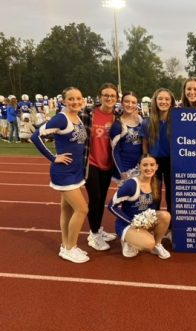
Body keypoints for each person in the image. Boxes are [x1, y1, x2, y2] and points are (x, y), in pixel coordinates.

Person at [31, 87, 89, 263]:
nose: (76, 102)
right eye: (71, 99)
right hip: (64, 173)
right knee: (82, 209)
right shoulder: (61, 119)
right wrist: (53, 157)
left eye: (78, 98)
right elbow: (36, 136)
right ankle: (71, 248)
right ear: (64, 101)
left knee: (67, 209)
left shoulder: (77, 116)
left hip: (76, 172)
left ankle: (66, 245)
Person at [108, 154, 172, 259]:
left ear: (156, 167)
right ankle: (128, 241)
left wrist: (147, 223)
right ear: (139, 166)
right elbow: (111, 206)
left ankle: (158, 244)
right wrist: (130, 222)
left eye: (152, 165)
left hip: (144, 222)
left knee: (165, 216)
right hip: (128, 224)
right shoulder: (131, 185)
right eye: (145, 165)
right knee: (148, 244)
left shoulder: (156, 183)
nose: (149, 168)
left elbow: (154, 208)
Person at [83, 83, 119, 251]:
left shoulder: (117, 116)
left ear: (116, 98)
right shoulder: (89, 113)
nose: (109, 98)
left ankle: (98, 229)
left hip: (108, 164)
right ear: (100, 96)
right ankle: (94, 233)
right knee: (95, 199)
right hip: (91, 164)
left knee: (102, 199)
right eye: (106, 95)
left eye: (112, 95)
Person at [141, 88, 176, 219]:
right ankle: (153, 223)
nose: (163, 101)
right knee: (154, 194)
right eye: (160, 99)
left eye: (167, 99)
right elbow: (145, 143)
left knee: (171, 195)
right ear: (155, 101)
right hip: (154, 162)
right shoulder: (147, 121)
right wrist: (146, 160)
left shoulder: (176, 121)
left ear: (171, 102)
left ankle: (170, 226)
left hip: (171, 161)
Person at [110, 91, 143, 182]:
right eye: (127, 101)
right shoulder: (118, 125)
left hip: (139, 167)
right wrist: (122, 172)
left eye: (133, 102)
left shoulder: (140, 121)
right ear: (122, 103)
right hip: (125, 168)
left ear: (137, 104)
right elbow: (114, 152)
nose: (130, 105)